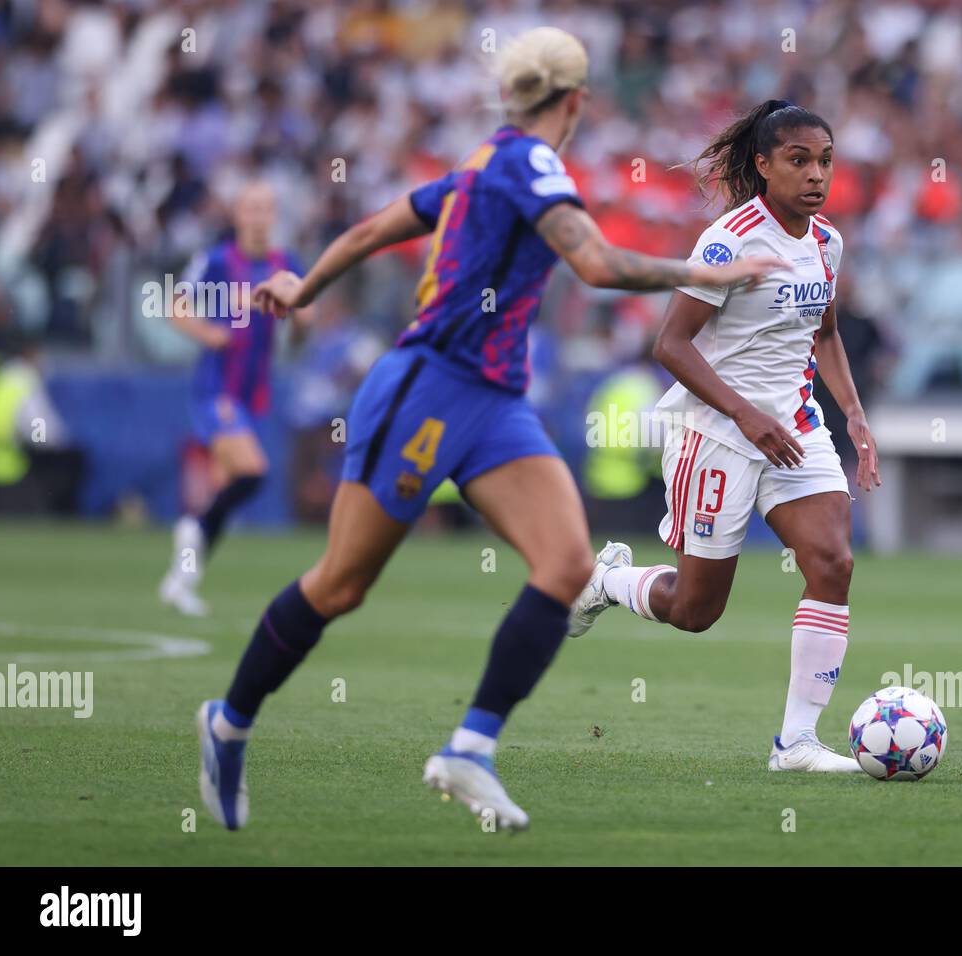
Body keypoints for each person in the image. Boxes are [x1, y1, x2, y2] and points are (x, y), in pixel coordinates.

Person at [195, 27, 786, 832]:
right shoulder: (530, 165)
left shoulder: (482, 162)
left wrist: (304, 287)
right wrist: (705, 272)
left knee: (566, 563)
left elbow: (376, 230)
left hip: (496, 402)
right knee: (340, 584)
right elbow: (601, 267)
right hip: (428, 388)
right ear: (575, 100)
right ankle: (227, 723)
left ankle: (470, 749)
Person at [568, 100, 881, 772]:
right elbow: (670, 345)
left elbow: (824, 334)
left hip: (795, 427)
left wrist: (852, 413)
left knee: (833, 563)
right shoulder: (729, 240)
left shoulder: (827, 242)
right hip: (717, 430)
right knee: (695, 610)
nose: (816, 174)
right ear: (764, 166)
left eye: (825, 160)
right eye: (799, 160)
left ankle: (796, 743)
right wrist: (744, 414)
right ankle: (606, 580)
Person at [160, 181, 309, 616]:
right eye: (252, 209)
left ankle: (181, 579)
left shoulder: (286, 265)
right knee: (253, 471)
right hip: (218, 389)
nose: (260, 217)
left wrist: (298, 321)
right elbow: (176, 307)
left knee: (227, 491)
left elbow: (303, 326)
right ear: (238, 215)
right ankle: (191, 532)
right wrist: (211, 333)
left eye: (267, 209)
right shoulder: (218, 260)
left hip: (254, 392)